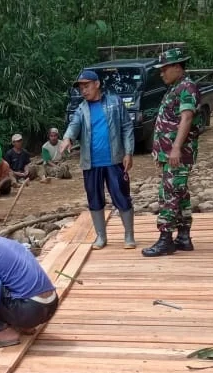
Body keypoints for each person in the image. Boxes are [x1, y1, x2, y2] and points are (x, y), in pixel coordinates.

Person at [59, 69, 135, 251]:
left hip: (114, 160)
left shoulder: (114, 102)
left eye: (86, 86)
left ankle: (129, 235)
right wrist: (68, 138)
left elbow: (126, 127)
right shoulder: (81, 109)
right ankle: (101, 236)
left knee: (122, 196)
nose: (83, 91)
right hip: (91, 163)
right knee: (94, 198)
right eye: (81, 88)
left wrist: (129, 152)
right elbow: (74, 125)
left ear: (97, 84)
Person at [143, 48, 202, 257]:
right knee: (181, 194)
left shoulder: (187, 87)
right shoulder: (176, 88)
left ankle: (165, 239)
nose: (162, 73)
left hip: (179, 153)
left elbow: (186, 118)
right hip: (170, 154)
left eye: (165, 69)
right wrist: (162, 154)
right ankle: (184, 237)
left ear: (178, 67)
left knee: (169, 195)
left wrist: (176, 148)